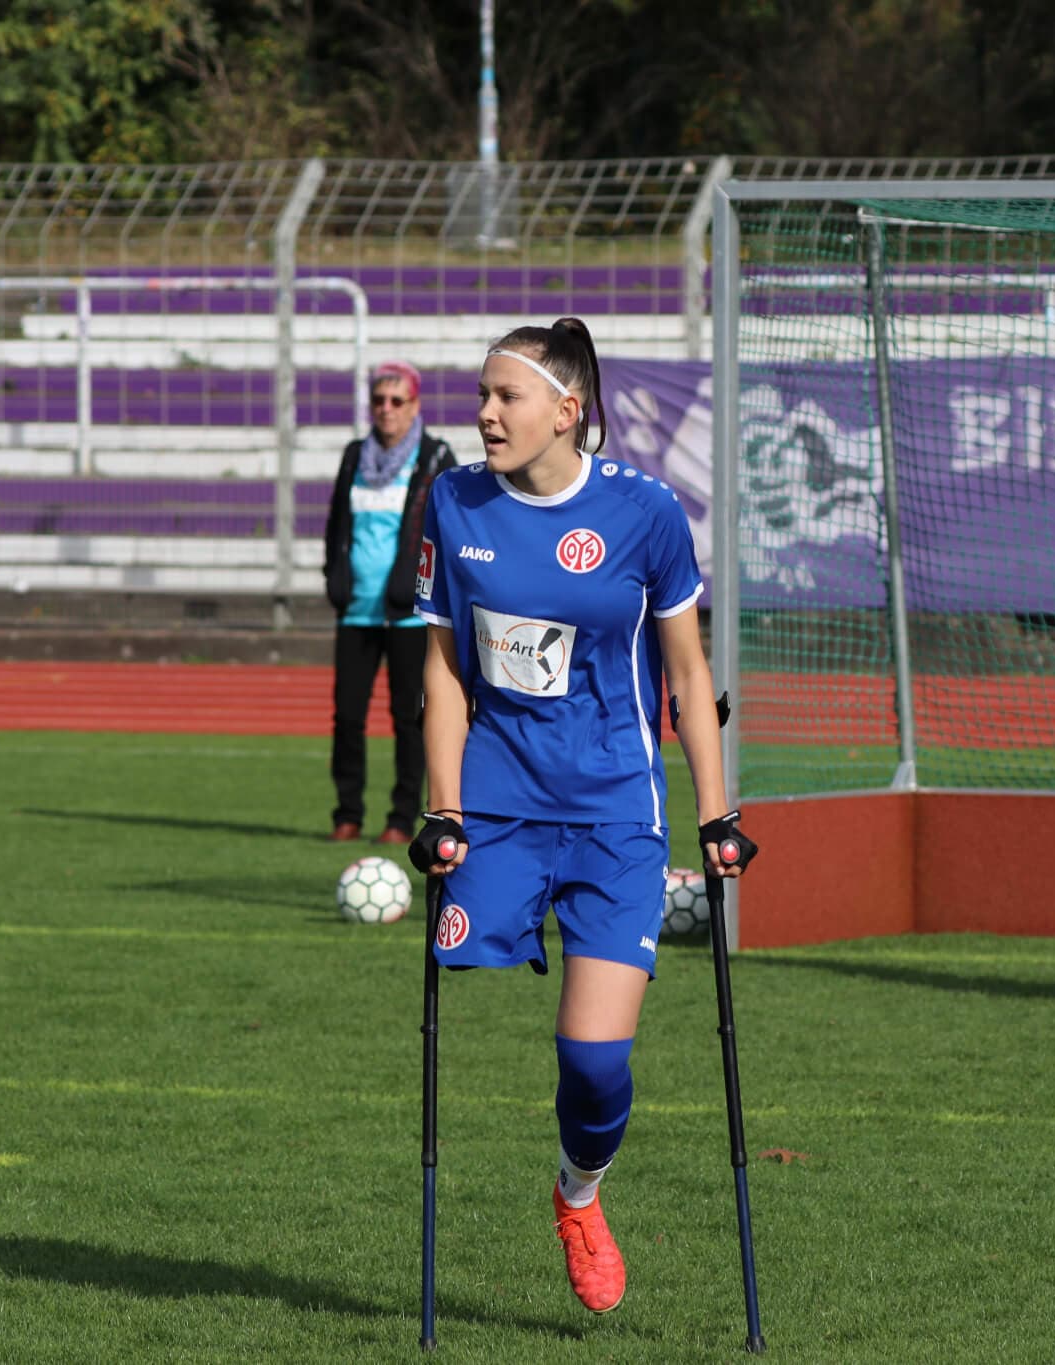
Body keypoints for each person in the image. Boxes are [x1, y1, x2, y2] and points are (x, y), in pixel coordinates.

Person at [408, 317, 757, 1313]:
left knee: (594, 1063)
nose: (482, 413)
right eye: (480, 395)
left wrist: (717, 814)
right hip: (498, 805)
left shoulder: (644, 513)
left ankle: (577, 1191)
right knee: (462, 969)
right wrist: (441, 810)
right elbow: (440, 671)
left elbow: (686, 674)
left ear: (568, 411)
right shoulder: (454, 500)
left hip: (613, 812)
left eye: (503, 398)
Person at [324, 361, 456, 844]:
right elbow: (337, 526)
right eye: (379, 400)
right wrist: (334, 581)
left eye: (396, 401)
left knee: (409, 717)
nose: (386, 410)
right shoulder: (354, 456)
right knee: (348, 716)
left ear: (415, 405)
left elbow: (449, 531)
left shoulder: (435, 457)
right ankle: (347, 813)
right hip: (357, 610)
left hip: (409, 615)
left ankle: (402, 818)